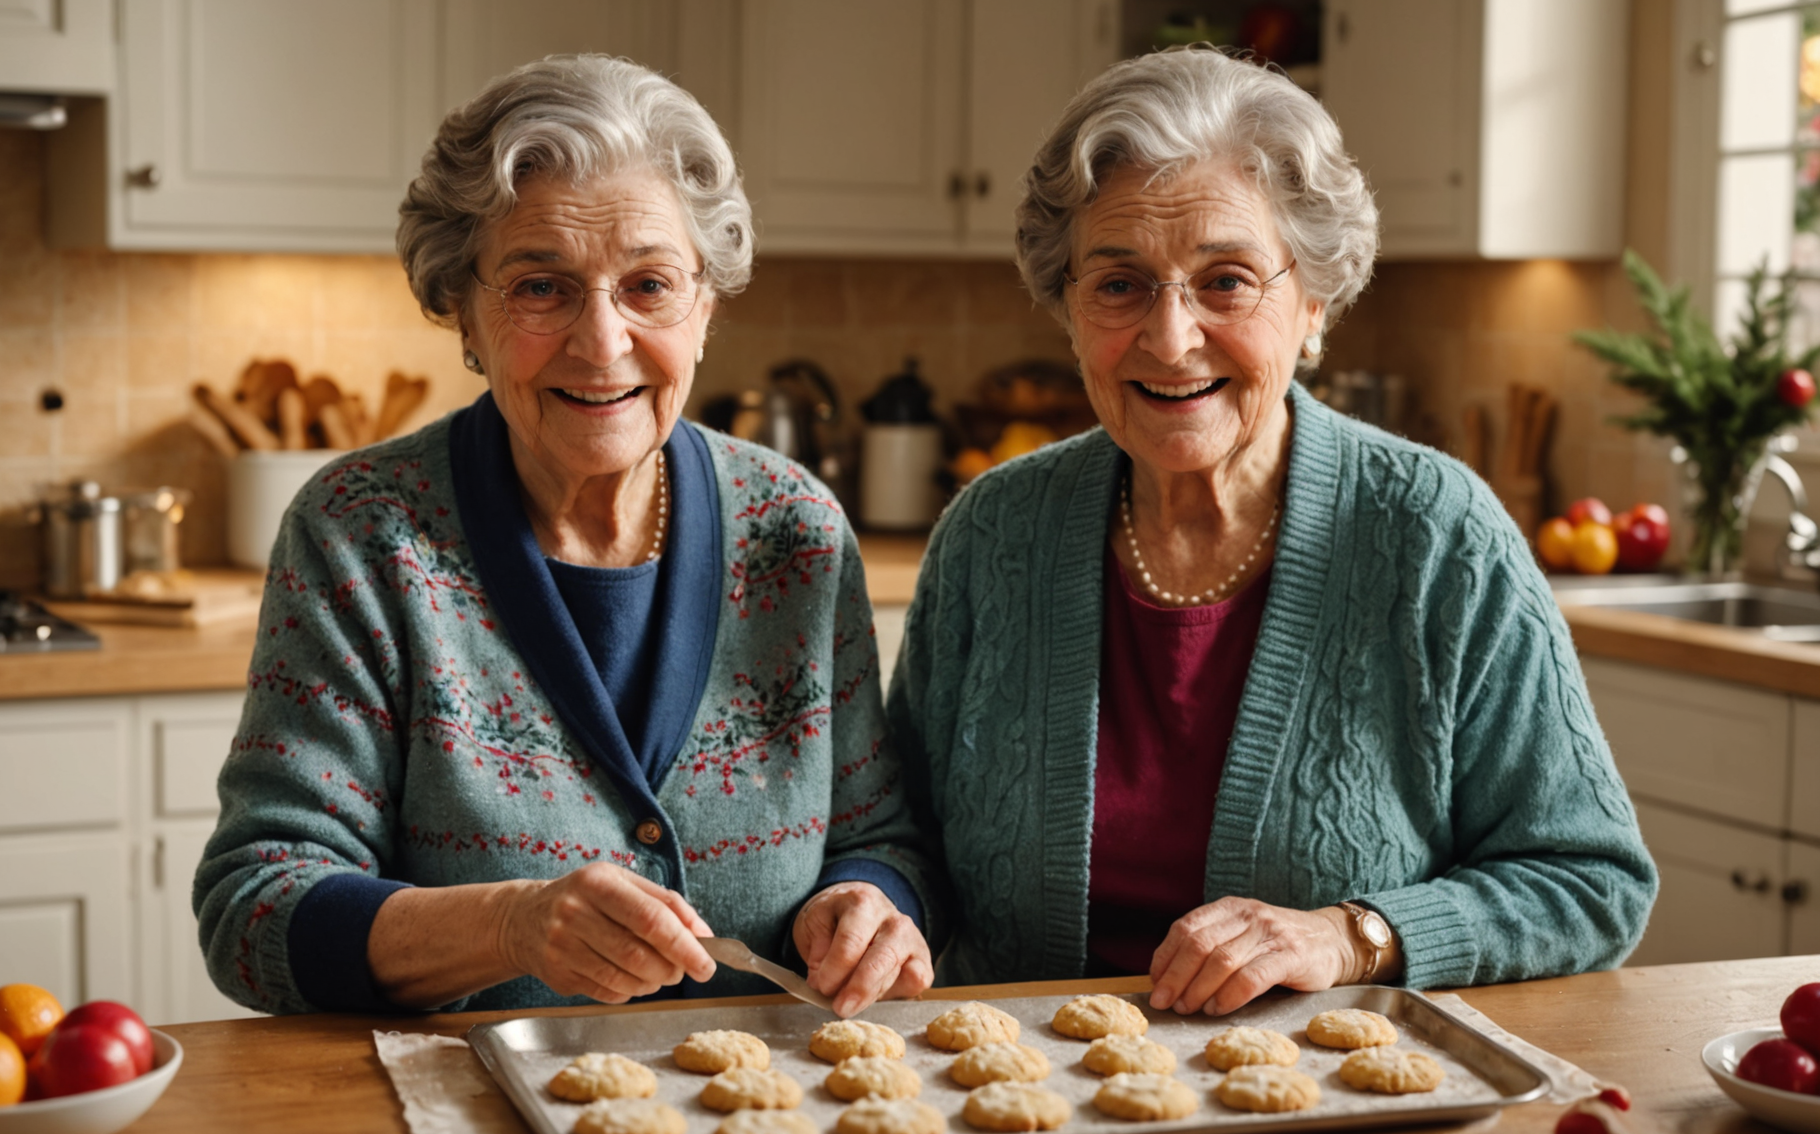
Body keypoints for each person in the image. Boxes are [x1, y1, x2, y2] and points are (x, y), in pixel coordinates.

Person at [887, 48, 1656, 1015]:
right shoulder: (992, 533)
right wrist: (875, 898)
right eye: (1120, 285)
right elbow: (898, 838)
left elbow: (1591, 883)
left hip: (1325, 1099)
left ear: (1315, 307)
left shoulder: (1436, 536)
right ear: (1069, 311)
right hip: (1017, 1101)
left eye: (1227, 280)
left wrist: (1354, 935)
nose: (1171, 340)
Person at [196, 55, 940, 1016]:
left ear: (706, 306)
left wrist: (869, 901)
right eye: (542, 287)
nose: (602, 342)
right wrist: (507, 927)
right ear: (462, 311)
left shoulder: (795, 529)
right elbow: (254, 908)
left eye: (648, 285)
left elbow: (879, 835)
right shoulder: (363, 535)